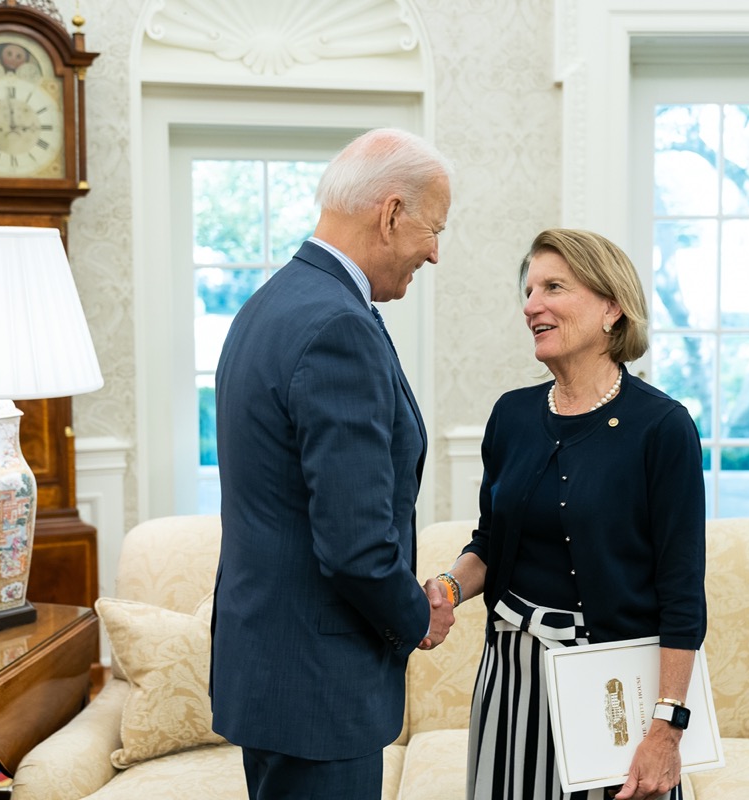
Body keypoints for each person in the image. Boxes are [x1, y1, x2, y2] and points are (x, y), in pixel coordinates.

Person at [210, 128, 457, 800]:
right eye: (433, 228)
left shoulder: (267, 306)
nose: (434, 252)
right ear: (391, 213)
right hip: (316, 687)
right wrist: (416, 614)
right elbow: (355, 544)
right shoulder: (336, 327)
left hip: (272, 674)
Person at [435, 229, 707, 800]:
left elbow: (681, 593)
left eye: (554, 286)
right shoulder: (510, 416)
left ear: (612, 307)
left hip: (610, 685)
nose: (532, 304)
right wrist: (448, 588)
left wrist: (668, 725)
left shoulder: (662, 427)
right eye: (529, 290)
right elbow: (490, 542)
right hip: (510, 676)